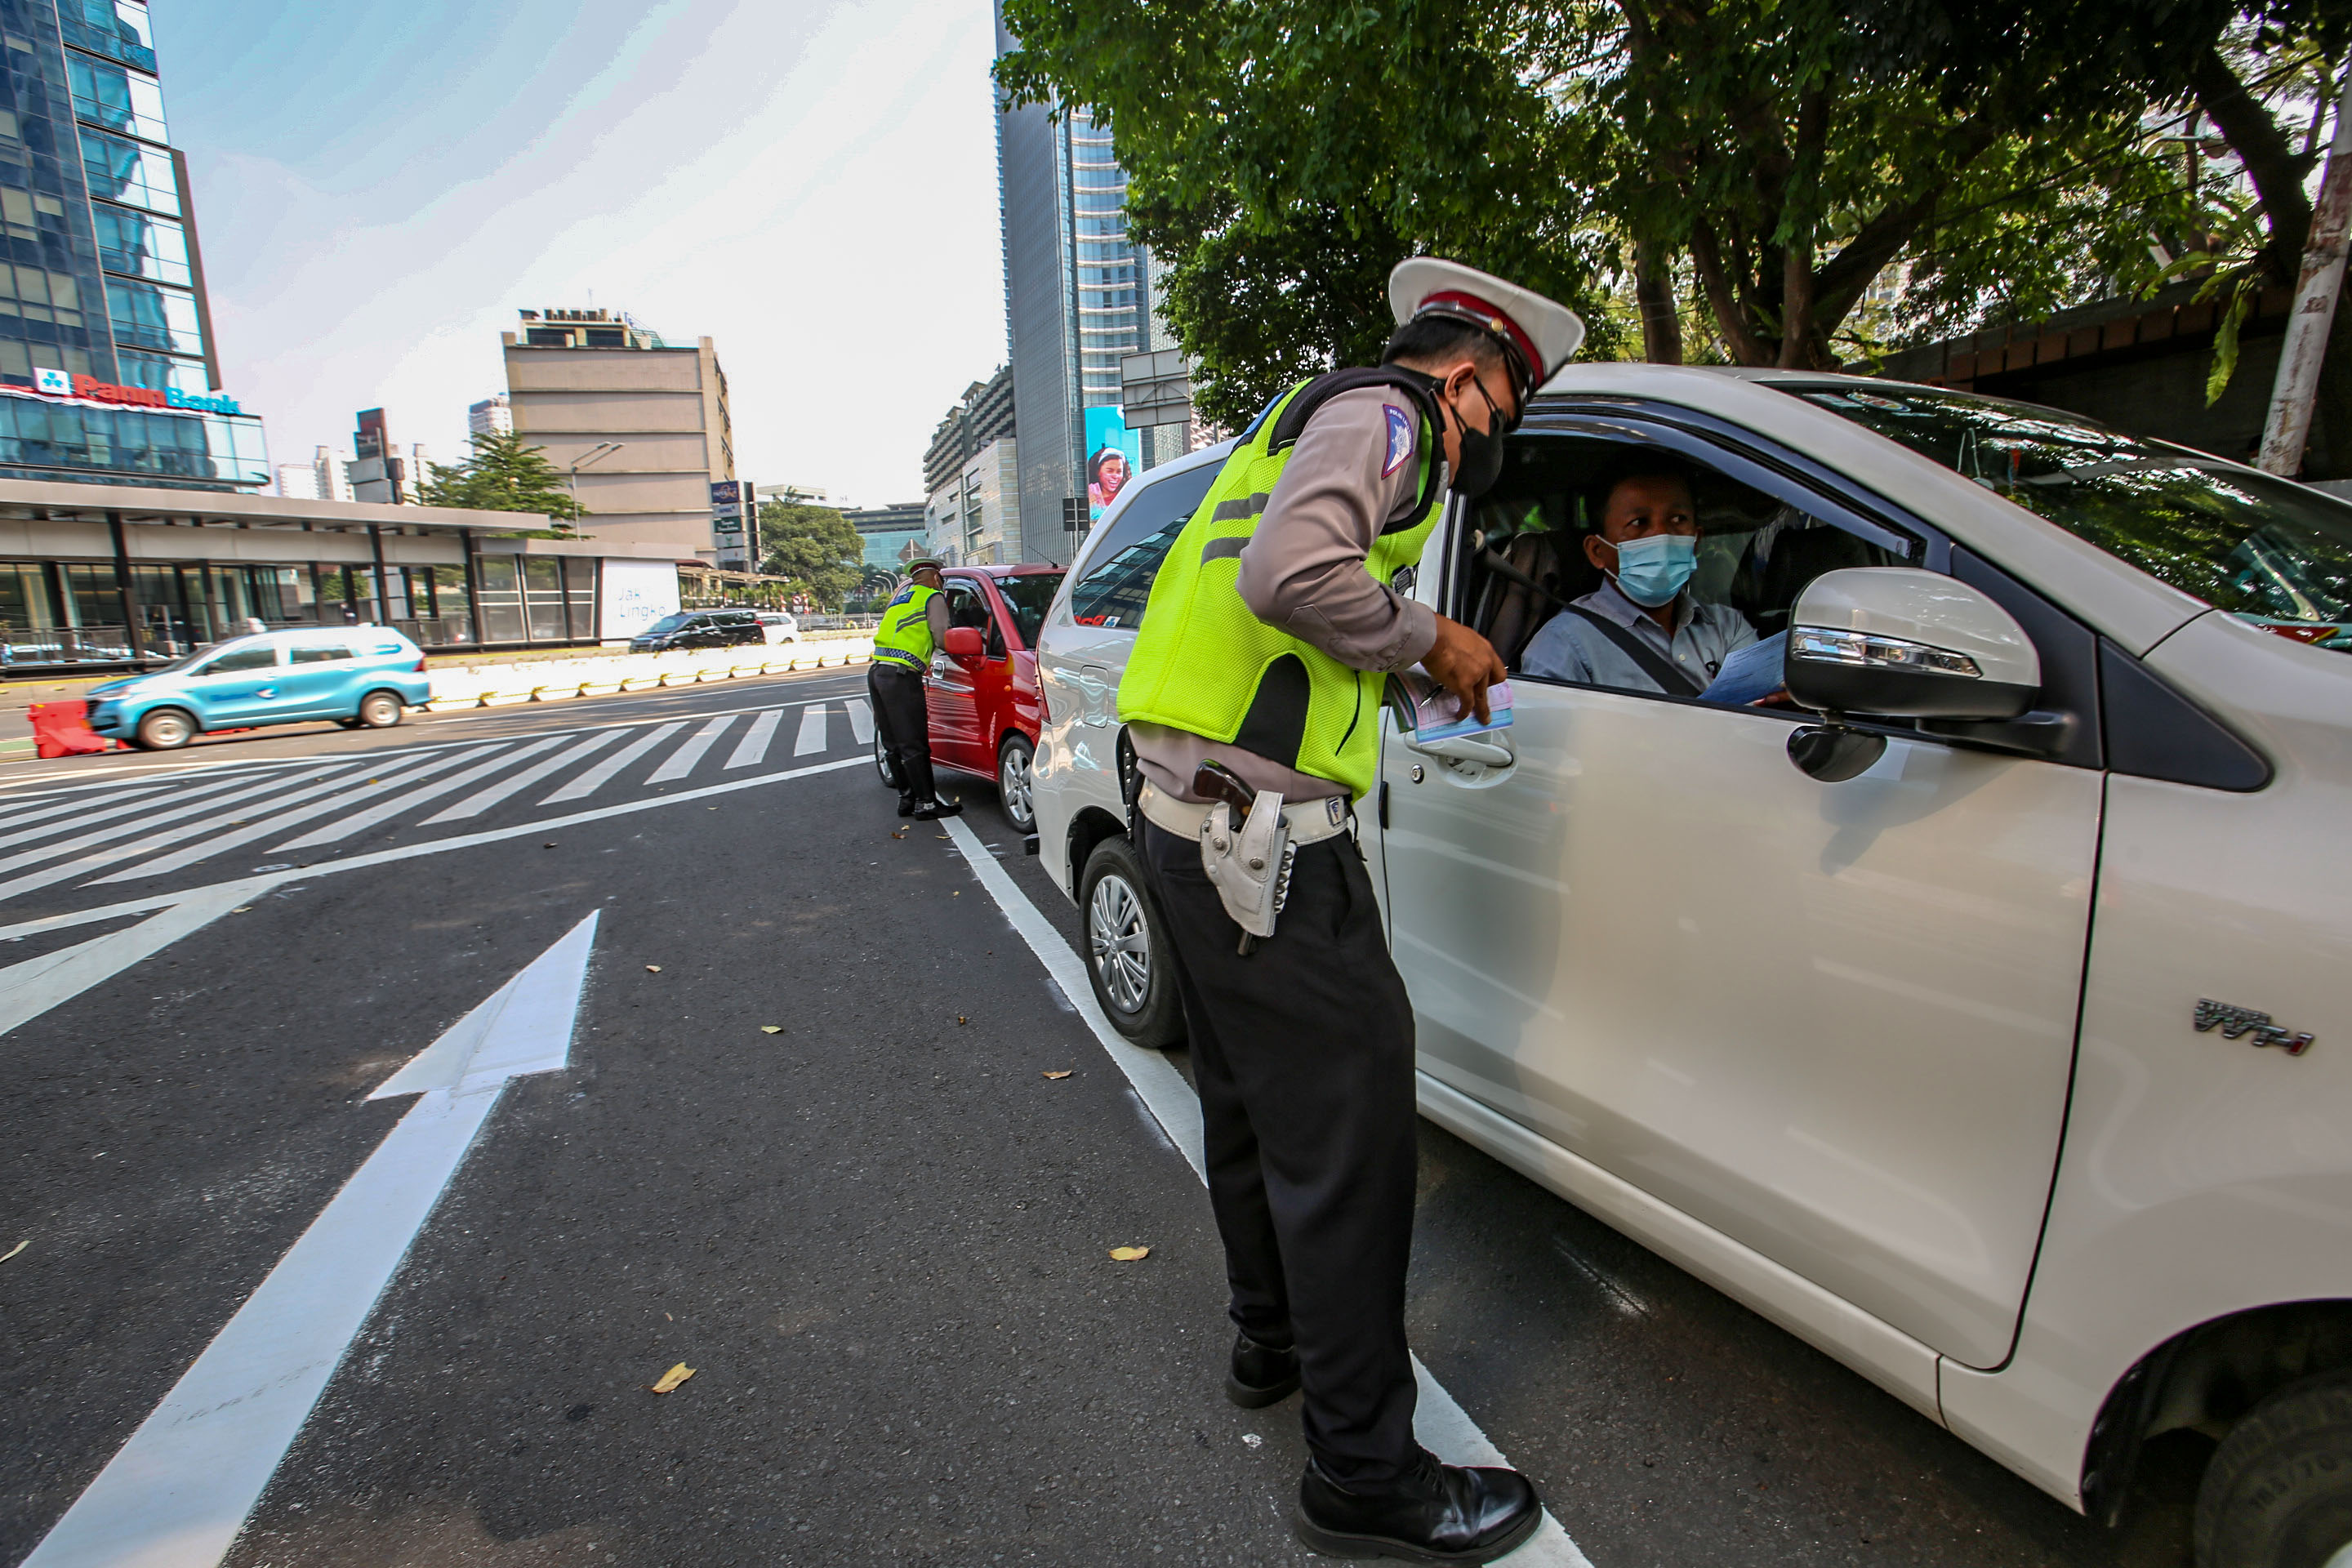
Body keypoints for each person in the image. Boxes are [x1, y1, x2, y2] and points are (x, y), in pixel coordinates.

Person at [1116, 258, 1583, 1564]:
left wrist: (1391, 678)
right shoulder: (1393, 420)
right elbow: (1290, 574)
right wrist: (1433, 640)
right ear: (1471, 374)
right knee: (1352, 1139)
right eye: (1508, 404)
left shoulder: (1301, 417)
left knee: (1253, 1109)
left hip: (1182, 817)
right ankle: (1365, 1473)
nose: (1496, 434)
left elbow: (1273, 608)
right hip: (1260, 851)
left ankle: (1271, 1340)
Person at [1519, 454, 1760, 695]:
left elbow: (1759, 714)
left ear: (1696, 541)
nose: (1661, 534)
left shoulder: (1728, 628)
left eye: (1678, 519)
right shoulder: (1564, 644)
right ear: (1597, 551)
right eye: (1638, 522)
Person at [866, 558, 961, 820]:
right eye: (941, 578)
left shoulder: (901, 599)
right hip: (901, 676)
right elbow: (942, 637)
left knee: (893, 742)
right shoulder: (933, 598)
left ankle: (906, 798)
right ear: (935, 578)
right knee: (914, 742)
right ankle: (927, 804)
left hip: (877, 672)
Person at [1089, 446, 1132, 513]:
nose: (1115, 476)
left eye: (1119, 472)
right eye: (1110, 471)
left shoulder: (1127, 496)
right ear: (1097, 471)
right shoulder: (1089, 495)